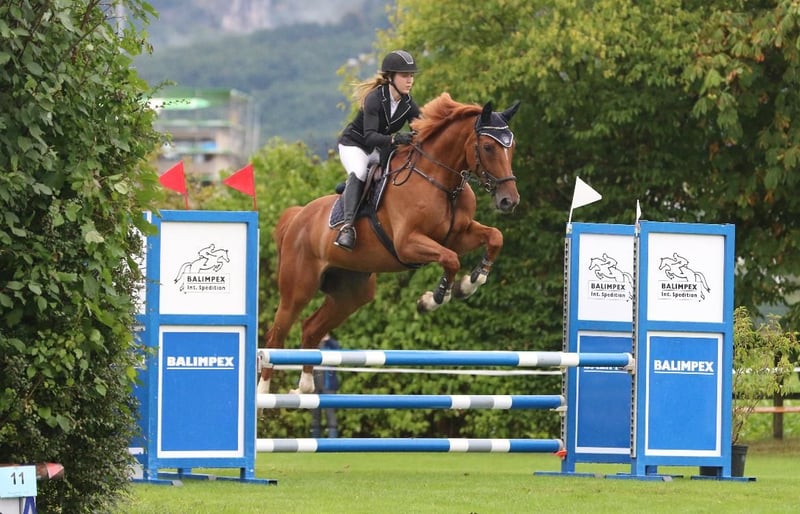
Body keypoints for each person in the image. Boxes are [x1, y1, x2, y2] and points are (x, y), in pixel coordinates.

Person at [333, 50, 422, 251]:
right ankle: (347, 228)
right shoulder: (374, 99)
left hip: (378, 149)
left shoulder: (408, 104)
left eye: (411, 76)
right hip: (355, 145)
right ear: (390, 77)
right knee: (360, 172)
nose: (409, 80)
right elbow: (370, 136)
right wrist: (395, 138)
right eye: (404, 75)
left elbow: (422, 127)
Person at [310, 333, 341, 438]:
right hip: (314, 386)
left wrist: (328, 340)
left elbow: (337, 353)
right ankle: (315, 440)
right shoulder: (313, 342)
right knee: (315, 416)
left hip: (329, 386)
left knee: (330, 414)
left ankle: (333, 441)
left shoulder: (332, 344)